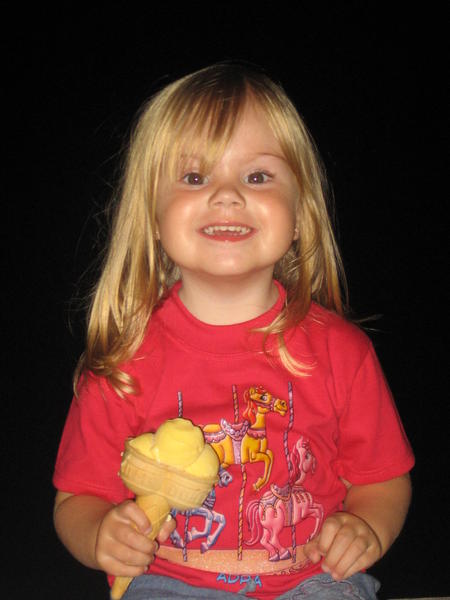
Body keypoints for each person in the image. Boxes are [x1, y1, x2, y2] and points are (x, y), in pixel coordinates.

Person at [53, 63, 414, 600]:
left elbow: (382, 479)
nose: (227, 195)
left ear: (299, 214)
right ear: (152, 216)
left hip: (313, 583)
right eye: (194, 178)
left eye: (258, 177)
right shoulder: (124, 361)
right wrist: (100, 535)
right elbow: (75, 499)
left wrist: (366, 527)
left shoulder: (343, 353)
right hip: (168, 583)